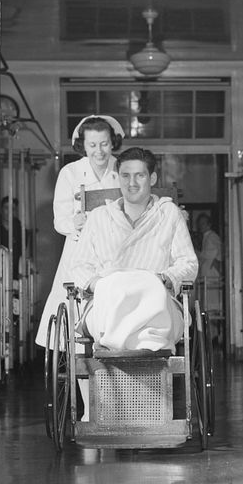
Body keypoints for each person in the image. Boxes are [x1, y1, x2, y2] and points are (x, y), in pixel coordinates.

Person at [70, 146, 198, 352]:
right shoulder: (99, 216)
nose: (132, 183)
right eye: (125, 176)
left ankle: (147, 346)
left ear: (153, 178)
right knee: (113, 288)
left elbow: (188, 263)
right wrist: (101, 285)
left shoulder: (169, 214)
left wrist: (164, 279)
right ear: (117, 177)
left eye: (139, 176)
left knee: (151, 288)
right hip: (108, 301)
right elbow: (78, 265)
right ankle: (118, 345)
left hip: (157, 302)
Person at [34, 114, 125, 347]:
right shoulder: (70, 173)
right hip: (80, 248)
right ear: (82, 145)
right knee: (79, 314)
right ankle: (82, 376)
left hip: (117, 250)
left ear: (112, 142)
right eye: (92, 145)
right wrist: (74, 222)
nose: (99, 151)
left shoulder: (123, 168)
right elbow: (59, 220)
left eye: (104, 144)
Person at [195, 213, 223, 315]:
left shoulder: (212, 236)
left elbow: (214, 252)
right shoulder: (206, 237)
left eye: (203, 223)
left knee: (212, 307)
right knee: (207, 307)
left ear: (209, 225)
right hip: (206, 273)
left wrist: (198, 254)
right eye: (200, 224)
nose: (201, 226)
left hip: (212, 274)